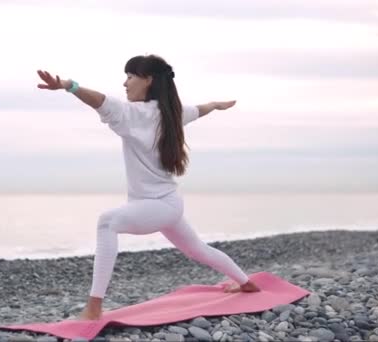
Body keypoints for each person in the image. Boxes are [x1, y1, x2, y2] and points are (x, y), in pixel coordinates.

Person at [36, 54, 260, 321]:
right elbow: (198, 110)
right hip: (165, 205)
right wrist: (214, 104)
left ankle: (94, 307)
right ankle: (245, 282)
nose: (125, 83)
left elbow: (100, 101)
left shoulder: (133, 114)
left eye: (130, 77)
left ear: (148, 80)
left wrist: (69, 86)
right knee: (197, 249)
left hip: (157, 206)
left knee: (107, 223)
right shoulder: (172, 113)